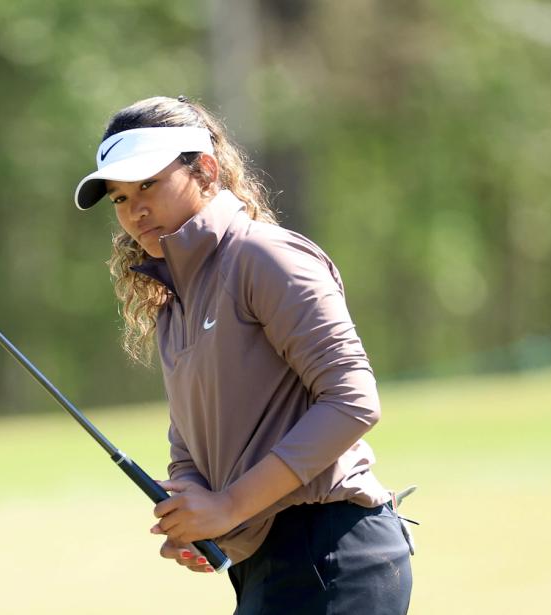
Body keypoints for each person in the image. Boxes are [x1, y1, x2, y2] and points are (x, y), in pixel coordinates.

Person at [73, 95, 413, 615]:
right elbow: (188, 445)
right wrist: (195, 515)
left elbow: (352, 400)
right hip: (266, 565)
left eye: (148, 184)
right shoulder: (173, 304)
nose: (134, 209)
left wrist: (229, 505)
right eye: (119, 198)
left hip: (332, 552)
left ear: (206, 170)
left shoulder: (264, 256)